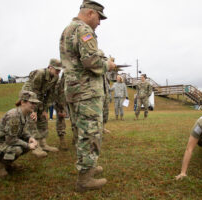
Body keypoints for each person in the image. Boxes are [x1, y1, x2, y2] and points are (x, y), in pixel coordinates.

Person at [60, 0, 116, 192]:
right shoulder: (84, 30)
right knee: (90, 134)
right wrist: (107, 65)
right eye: (99, 18)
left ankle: (88, 168)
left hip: (75, 91)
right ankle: (84, 179)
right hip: (87, 92)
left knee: (82, 132)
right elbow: (90, 61)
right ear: (91, 13)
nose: (99, 22)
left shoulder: (68, 29)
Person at [0, 91, 39, 178]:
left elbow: (22, 131)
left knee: (25, 144)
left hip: (2, 142)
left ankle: (8, 164)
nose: (34, 105)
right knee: (17, 149)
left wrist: (30, 138)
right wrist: (28, 145)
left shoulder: (25, 114)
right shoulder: (14, 115)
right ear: (23, 102)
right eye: (32, 103)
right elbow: (11, 140)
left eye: (35, 103)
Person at [21, 58, 62, 157]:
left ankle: (43, 144)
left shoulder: (56, 77)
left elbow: (50, 94)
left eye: (59, 70)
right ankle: (36, 146)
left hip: (39, 97)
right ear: (50, 67)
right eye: (56, 69)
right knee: (33, 120)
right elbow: (34, 92)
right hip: (28, 96)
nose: (58, 72)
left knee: (43, 119)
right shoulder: (40, 74)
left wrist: (44, 110)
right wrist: (33, 110)